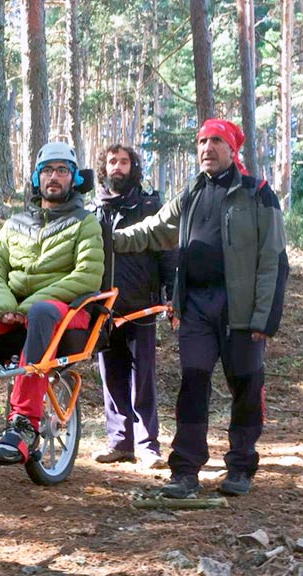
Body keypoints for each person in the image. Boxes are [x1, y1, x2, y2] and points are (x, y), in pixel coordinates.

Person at [113, 119, 288, 498]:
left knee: (245, 384)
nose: (207, 148)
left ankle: (240, 465)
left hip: (240, 311)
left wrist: (265, 318)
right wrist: (107, 238)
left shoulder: (256, 193)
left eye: (215, 141)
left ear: (232, 149)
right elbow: (154, 229)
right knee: (193, 384)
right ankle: (186, 470)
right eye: (202, 141)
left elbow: (273, 257)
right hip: (195, 308)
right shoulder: (191, 192)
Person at [0, 141, 104, 466]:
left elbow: (87, 277)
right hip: (13, 312)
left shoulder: (86, 223)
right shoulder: (14, 224)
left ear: (73, 178)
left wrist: (30, 304)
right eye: (46, 171)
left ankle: (24, 422)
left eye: (61, 170)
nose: (53, 177)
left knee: (42, 312)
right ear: (36, 179)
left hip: (64, 313)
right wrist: (4, 307)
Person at [87, 144, 176, 469]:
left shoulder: (150, 206)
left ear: (133, 167)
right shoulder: (93, 211)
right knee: (111, 376)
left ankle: (147, 445)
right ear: (104, 168)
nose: (118, 167)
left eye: (124, 162)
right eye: (112, 162)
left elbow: (168, 252)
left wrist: (171, 293)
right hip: (103, 309)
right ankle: (119, 442)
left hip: (141, 306)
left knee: (143, 379)